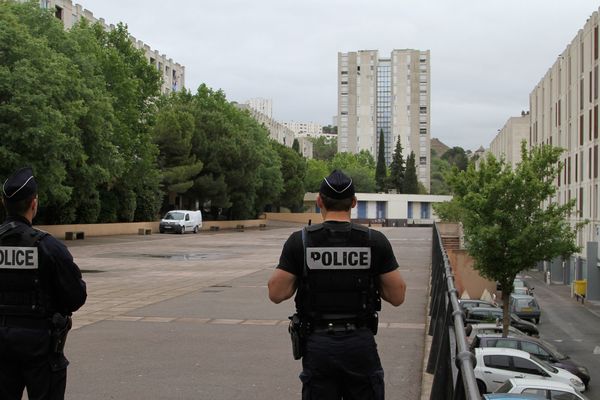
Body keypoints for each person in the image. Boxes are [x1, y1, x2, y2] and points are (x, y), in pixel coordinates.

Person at [268, 170, 406, 400]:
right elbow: (398, 295)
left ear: (319, 201)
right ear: (353, 202)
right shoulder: (374, 241)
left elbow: (276, 292)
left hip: (318, 345)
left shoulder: (300, 241)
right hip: (360, 343)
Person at [0, 167, 87, 400]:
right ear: (34, 204)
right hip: (41, 346)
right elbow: (76, 296)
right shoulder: (49, 247)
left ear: (3, 203)